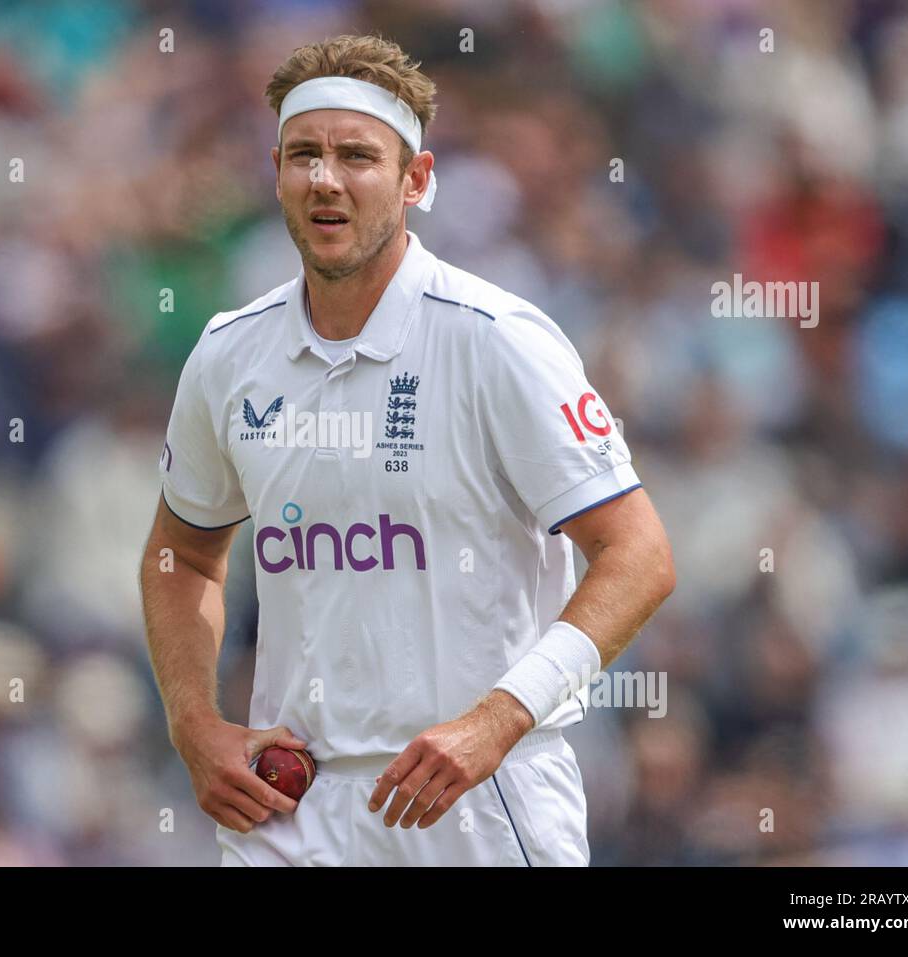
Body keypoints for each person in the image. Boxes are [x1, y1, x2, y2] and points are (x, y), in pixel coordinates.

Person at [139, 34, 675, 866]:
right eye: (305, 155)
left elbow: (638, 554)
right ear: (276, 169)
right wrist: (194, 722)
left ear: (415, 180)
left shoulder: (498, 341)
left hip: (477, 801)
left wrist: (499, 719)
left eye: (357, 156)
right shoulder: (228, 353)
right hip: (293, 806)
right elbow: (182, 554)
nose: (326, 178)